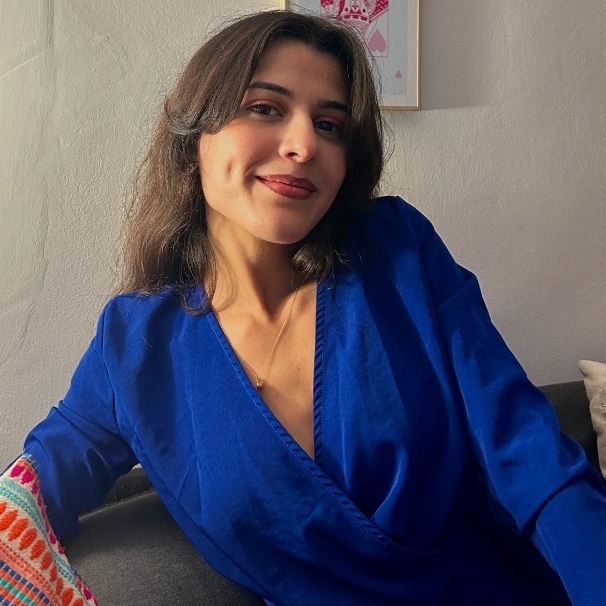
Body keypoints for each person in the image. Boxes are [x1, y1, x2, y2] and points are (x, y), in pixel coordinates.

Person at [4, 9, 606, 606]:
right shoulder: (134, 344)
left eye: (330, 125)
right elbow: (37, 489)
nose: (303, 145)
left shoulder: (397, 251)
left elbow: (530, 453)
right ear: (193, 140)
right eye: (266, 108)